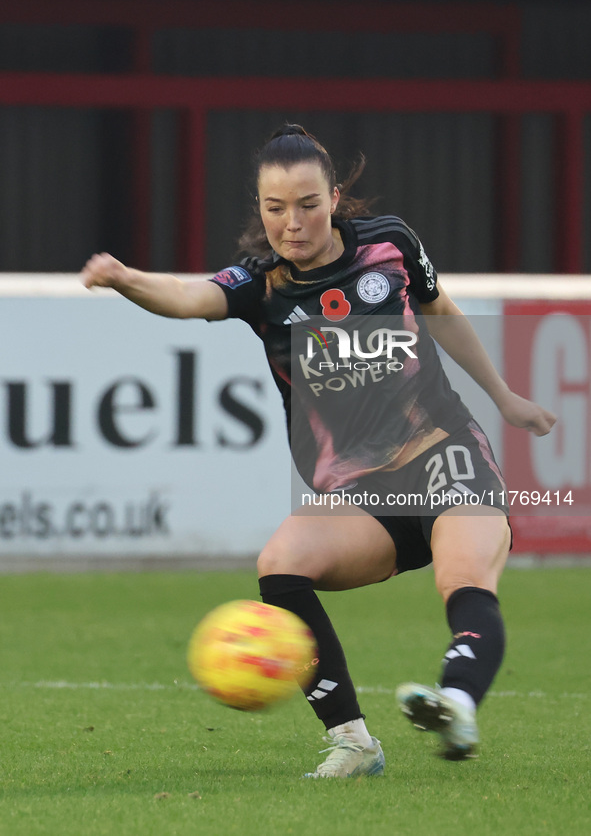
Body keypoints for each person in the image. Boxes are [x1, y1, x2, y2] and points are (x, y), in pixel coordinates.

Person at [81, 123, 556, 778]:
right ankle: (353, 743)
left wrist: (503, 397)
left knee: (464, 578)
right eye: (275, 209)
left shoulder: (390, 244)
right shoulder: (260, 285)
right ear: (261, 210)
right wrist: (125, 278)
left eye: (306, 204)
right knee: (280, 562)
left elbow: (439, 309)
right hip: (359, 495)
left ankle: (455, 703)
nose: (291, 223)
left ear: (334, 197)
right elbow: (190, 298)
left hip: (442, 453)